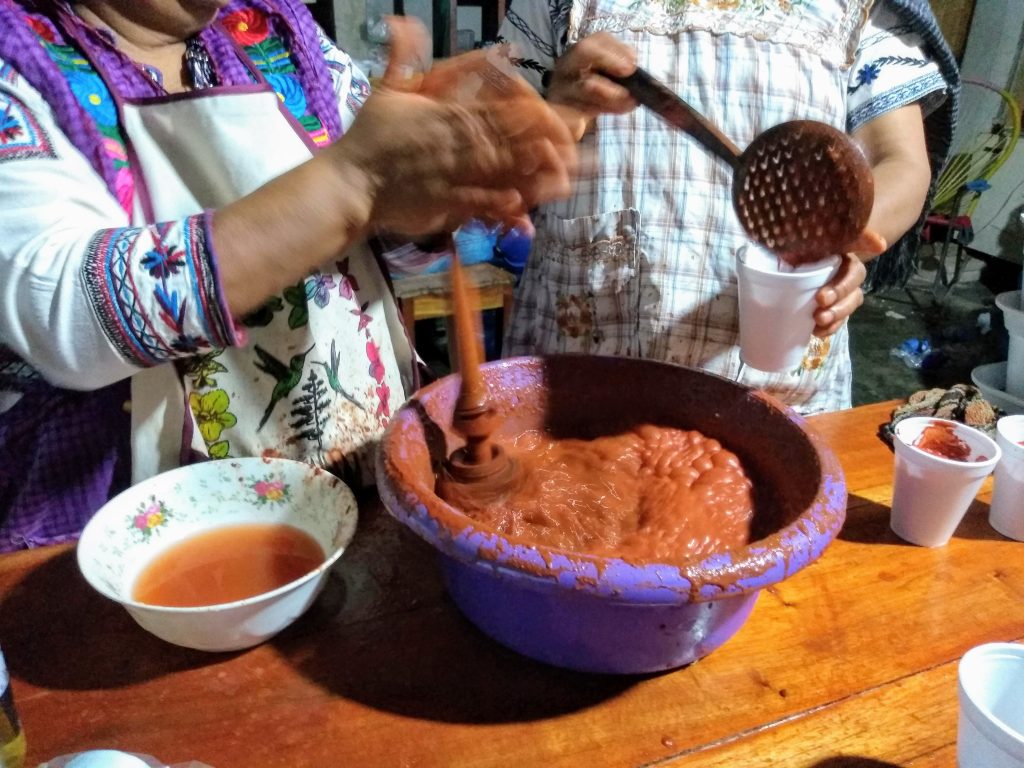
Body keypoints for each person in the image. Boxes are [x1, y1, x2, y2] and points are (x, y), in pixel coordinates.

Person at [0, 0, 577, 550]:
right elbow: (62, 316)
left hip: (351, 480)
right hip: (142, 553)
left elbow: (383, 256)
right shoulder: (19, 59)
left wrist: (425, 205)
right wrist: (354, 185)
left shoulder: (279, 35)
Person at [498, 0, 959, 414]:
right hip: (573, 378)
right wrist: (558, 115)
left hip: (777, 393)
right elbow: (487, 150)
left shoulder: (861, 8)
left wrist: (842, 240)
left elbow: (899, 160)